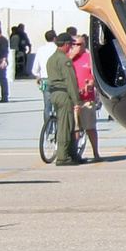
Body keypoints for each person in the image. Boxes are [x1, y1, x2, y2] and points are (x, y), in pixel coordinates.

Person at [46, 37, 84, 166]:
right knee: (65, 125)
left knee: (69, 124)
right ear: (66, 44)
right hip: (63, 93)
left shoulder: (52, 59)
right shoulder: (64, 60)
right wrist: (77, 100)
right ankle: (63, 156)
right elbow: (70, 81)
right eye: (71, 44)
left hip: (54, 93)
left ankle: (72, 154)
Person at [71, 34, 101, 163]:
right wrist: (71, 56)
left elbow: (96, 75)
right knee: (75, 127)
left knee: (89, 126)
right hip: (73, 98)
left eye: (79, 44)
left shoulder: (89, 58)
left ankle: (96, 152)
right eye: (74, 44)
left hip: (86, 97)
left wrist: (92, 83)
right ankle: (75, 153)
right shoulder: (68, 58)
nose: (77, 47)